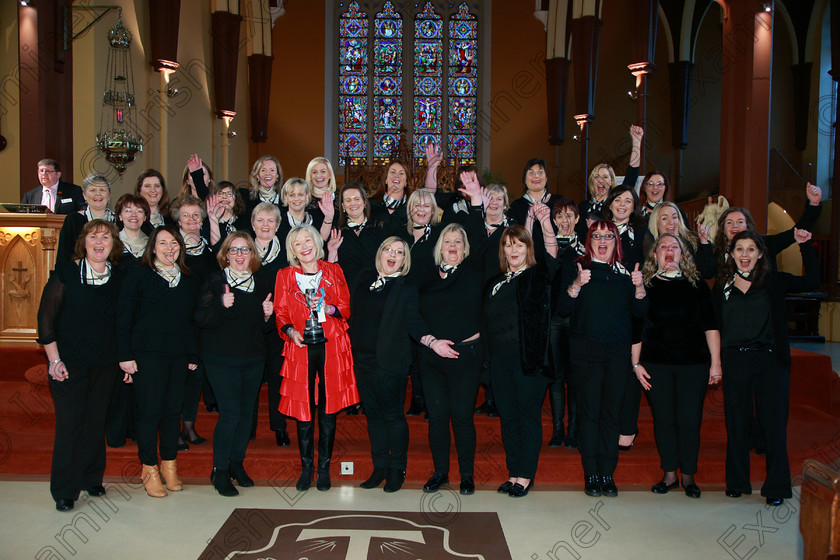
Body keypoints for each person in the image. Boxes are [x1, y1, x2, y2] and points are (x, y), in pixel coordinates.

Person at [713, 229, 818, 507]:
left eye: (750, 250)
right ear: (731, 254)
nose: (744, 255)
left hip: (770, 361)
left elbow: (812, 281)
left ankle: (776, 486)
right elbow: (712, 324)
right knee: (737, 423)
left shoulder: (773, 281)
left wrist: (805, 247)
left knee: (773, 425)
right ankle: (736, 482)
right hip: (735, 361)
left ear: (760, 254)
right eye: (739, 250)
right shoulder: (723, 284)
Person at [37, 220, 126, 511]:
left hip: (105, 364)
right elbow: (45, 318)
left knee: (94, 421)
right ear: (84, 242)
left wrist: (125, 361)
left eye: (106, 237)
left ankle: (92, 477)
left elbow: (125, 323)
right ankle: (64, 489)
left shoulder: (119, 276)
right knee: (70, 424)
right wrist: (54, 360)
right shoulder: (67, 272)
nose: (99, 242)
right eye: (93, 237)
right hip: (68, 364)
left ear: (113, 244)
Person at [559, 220, 648, 498]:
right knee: (588, 414)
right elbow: (562, 308)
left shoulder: (626, 275)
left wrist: (641, 289)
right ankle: (591, 474)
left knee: (610, 414)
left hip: (617, 355)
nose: (603, 240)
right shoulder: (578, 269)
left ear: (616, 241)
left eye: (609, 235)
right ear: (590, 240)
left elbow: (641, 315)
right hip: (585, 353)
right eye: (597, 235)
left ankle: (607, 474)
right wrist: (576, 285)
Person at [634, 233, 721, 499]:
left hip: (692, 364)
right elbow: (636, 327)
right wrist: (635, 363)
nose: (669, 251)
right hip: (656, 364)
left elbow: (711, 326)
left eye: (675, 247)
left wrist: (716, 363)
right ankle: (670, 474)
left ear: (683, 255)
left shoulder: (697, 285)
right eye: (663, 247)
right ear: (655, 255)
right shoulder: (644, 285)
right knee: (664, 421)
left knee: (689, 421)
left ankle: (689, 476)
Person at [274, 224, 359, 491]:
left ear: (316, 242)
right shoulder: (284, 276)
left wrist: (328, 307)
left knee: (329, 405)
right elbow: (280, 314)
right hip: (300, 346)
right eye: (297, 243)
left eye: (307, 240)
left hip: (331, 345)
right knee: (303, 407)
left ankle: (324, 468)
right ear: (293, 250)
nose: (304, 246)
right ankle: (306, 467)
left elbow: (345, 307)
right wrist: (289, 331)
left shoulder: (334, 271)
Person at [117, 226, 200, 498]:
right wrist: (125, 356)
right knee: (150, 412)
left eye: (174, 243)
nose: (169, 248)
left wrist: (191, 355)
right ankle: (149, 468)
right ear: (153, 247)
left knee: (171, 412)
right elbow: (124, 318)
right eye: (163, 243)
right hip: (146, 355)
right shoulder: (138, 275)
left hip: (177, 356)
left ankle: (169, 465)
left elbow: (190, 322)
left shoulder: (187, 279)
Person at [195, 231, 274, 496]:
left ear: (253, 254)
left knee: (246, 415)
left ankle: (236, 465)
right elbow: (201, 319)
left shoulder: (262, 283)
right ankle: (219, 471)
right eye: (234, 250)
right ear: (225, 255)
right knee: (230, 415)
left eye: (245, 250)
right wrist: (220, 304)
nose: (240, 255)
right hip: (220, 360)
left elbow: (265, 329)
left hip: (252, 359)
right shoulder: (216, 281)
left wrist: (267, 317)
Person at [484, 216, 557, 498]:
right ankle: (513, 473)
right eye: (508, 245)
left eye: (519, 245)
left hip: (529, 362)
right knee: (508, 419)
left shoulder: (538, 275)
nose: (513, 250)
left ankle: (525, 476)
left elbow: (552, 253)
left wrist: (544, 223)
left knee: (527, 418)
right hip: (500, 361)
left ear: (528, 248)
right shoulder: (495, 281)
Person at [416, 214, 484, 496]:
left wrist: (477, 202)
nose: (453, 245)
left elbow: (482, 235)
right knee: (437, 416)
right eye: (447, 241)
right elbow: (414, 313)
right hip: (432, 356)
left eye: (458, 241)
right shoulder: (426, 274)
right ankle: (441, 472)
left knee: (462, 417)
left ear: (466, 247)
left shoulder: (475, 270)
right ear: (439, 246)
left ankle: (466, 475)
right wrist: (432, 343)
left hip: (465, 356)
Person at [350, 237, 425, 492]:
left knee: (392, 416)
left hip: (390, 362)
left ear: (405, 260)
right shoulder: (363, 280)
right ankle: (379, 467)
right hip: (361, 360)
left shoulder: (406, 288)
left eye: (400, 252)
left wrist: (430, 340)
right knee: (373, 416)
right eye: (388, 250)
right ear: (380, 253)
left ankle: (396, 469)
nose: (393, 255)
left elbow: (414, 321)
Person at [696, 182, 822, 279]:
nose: (735, 226)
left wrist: (813, 204)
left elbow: (795, 232)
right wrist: (704, 243)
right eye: (729, 223)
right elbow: (707, 273)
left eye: (740, 222)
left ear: (748, 226)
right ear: (723, 229)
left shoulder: (765, 244)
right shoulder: (719, 251)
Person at [171, 195, 217, 449]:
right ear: (178, 219)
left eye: (196, 215)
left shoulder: (208, 250)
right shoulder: (171, 247)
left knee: (196, 376)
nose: (191, 220)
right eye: (186, 215)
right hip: (178, 323)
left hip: (202, 324)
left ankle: (188, 426)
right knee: (178, 377)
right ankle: (174, 428)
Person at [250, 202, 290, 446]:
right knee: (252, 378)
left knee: (277, 378)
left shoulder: (287, 253)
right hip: (248, 325)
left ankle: (279, 426)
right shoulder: (243, 250)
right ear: (253, 223)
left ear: (277, 225)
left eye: (270, 221)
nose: (265, 225)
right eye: (260, 220)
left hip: (278, 323)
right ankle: (248, 427)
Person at [547, 198, 584, 448]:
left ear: (577, 220)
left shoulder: (585, 249)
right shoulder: (547, 248)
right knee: (556, 376)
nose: (565, 221)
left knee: (575, 376)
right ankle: (558, 428)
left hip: (577, 320)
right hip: (552, 320)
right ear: (554, 220)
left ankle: (574, 430)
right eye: (560, 216)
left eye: (570, 216)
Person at [577, 125, 644, 231]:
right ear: (591, 181)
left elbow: (632, 173)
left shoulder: (615, 204)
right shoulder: (582, 207)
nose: (601, 180)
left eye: (605, 177)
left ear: (612, 181)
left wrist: (636, 141)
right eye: (597, 177)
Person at [334, 182, 389, 290]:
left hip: (375, 290)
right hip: (346, 292)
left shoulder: (380, 227)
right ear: (343, 206)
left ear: (364, 202)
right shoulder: (337, 232)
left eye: (357, 199)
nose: (353, 203)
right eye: (348, 200)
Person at [507, 158, 560, 259]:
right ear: (524, 179)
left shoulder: (559, 202)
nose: (536, 176)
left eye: (540, 172)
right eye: (531, 173)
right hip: (526, 262)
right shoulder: (516, 206)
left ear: (547, 177)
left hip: (555, 262)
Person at [56, 174, 116, 262]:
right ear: (84, 195)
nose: (98, 194)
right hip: (78, 273)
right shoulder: (73, 220)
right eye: (93, 190)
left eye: (102, 190)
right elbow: (64, 256)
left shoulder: (118, 221)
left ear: (109, 195)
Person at [203, 180, 251, 248]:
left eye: (229, 194)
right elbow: (214, 250)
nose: (224, 197)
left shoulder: (245, 221)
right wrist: (214, 220)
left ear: (235, 198)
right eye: (220, 194)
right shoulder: (207, 223)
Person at [370, 160, 413, 227]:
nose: (397, 176)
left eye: (401, 173)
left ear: (406, 182)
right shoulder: (371, 205)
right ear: (386, 179)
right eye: (393, 172)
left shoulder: (412, 207)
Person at [241, 155, 284, 220]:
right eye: (263, 170)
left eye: (272, 170)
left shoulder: (285, 199)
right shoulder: (245, 197)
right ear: (257, 175)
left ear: (277, 175)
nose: (268, 173)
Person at [115, 193, 150, 263]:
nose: (134, 215)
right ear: (120, 216)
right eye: (128, 211)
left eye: (139, 211)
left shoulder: (151, 244)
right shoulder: (113, 242)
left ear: (145, 217)